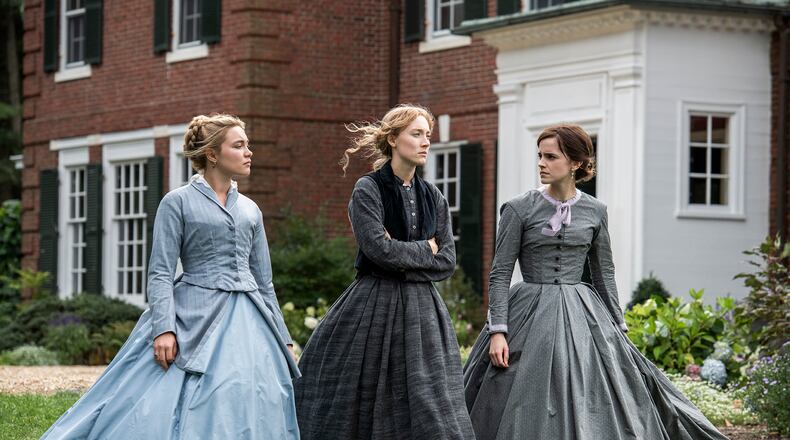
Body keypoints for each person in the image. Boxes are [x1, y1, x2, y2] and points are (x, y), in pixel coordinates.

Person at [41, 114, 300, 439]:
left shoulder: (251, 209)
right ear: (212, 154)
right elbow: (161, 272)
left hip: (251, 318)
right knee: (177, 397)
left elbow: (264, 282)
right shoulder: (177, 202)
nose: (249, 152)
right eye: (239, 145)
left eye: (247, 145)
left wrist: (283, 336)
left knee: (257, 390)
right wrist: (164, 328)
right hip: (193, 313)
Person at [463, 124, 728, 440]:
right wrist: (498, 332)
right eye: (539, 156)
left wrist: (618, 326)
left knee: (594, 391)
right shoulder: (518, 209)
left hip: (581, 313)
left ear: (575, 163)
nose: (541, 163)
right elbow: (500, 273)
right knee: (520, 393)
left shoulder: (595, 211)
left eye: (551, 156)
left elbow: (604, 272)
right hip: (527, 315)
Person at [293, 104, 475, 440]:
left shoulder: (433, 196)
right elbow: (378, 250)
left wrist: (404, 255)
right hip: (373, 304)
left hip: (424, 312)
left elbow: (447, 260)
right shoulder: (368, 189)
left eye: (428, 136)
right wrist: (424, 249)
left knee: (430, 399)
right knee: (363, 395)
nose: (425, 143)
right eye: (416, 134)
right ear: (393, 139)